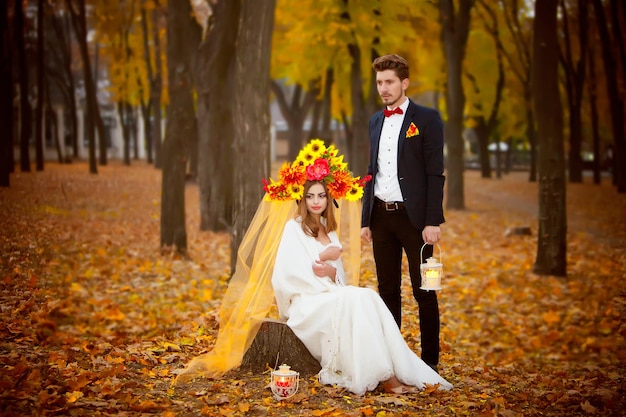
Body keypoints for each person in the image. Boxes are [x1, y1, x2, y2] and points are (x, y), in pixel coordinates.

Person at [272, 179, 452, 395]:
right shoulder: (294, 227)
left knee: (368, 297)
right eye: (310, 196)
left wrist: (331, 272)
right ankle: (389, 380)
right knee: (357, 299)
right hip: (306, 301)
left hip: (328, 294)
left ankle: (391, 372)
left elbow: (338, 278)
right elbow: (286, 273)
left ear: (329, 199)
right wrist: (321, 257)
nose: (316, 201)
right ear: (302, 199)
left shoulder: (328, 230)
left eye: (321, 196)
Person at [360, 54, 446, 373]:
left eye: (390, 82)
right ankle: (394, 359)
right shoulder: (374, 121)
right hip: (381, 218)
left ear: (404, 83)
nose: (383, 88)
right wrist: (366, 219)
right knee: (387, 291)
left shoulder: (427, 119)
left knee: (425, 288)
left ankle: (430, 361)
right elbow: (373, 170)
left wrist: (432, 221)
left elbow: (435, 173)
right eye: (380, 82)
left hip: (416, 220)